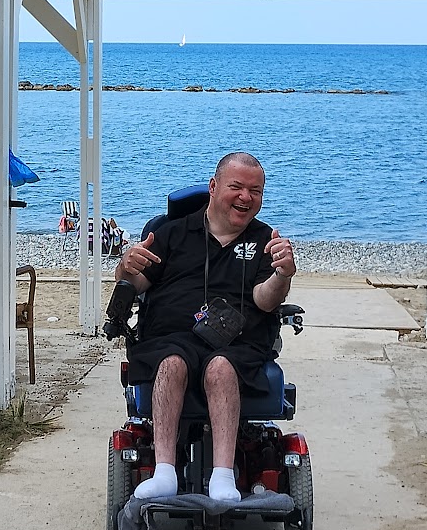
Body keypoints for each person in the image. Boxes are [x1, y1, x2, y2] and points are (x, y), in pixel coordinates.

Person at [115, 152, 296, 504]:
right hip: (171, 335)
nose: (246, 197)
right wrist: (125, 266)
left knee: (220, 368)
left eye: (255, 191)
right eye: (237, 187)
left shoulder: (264, 240)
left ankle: (223, 475)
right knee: (172, 362)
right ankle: (164, 472)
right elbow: (135, 284)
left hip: (239, 339)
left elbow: (264, 300)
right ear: (213, 187)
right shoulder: (170, 234)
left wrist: (282, 275)